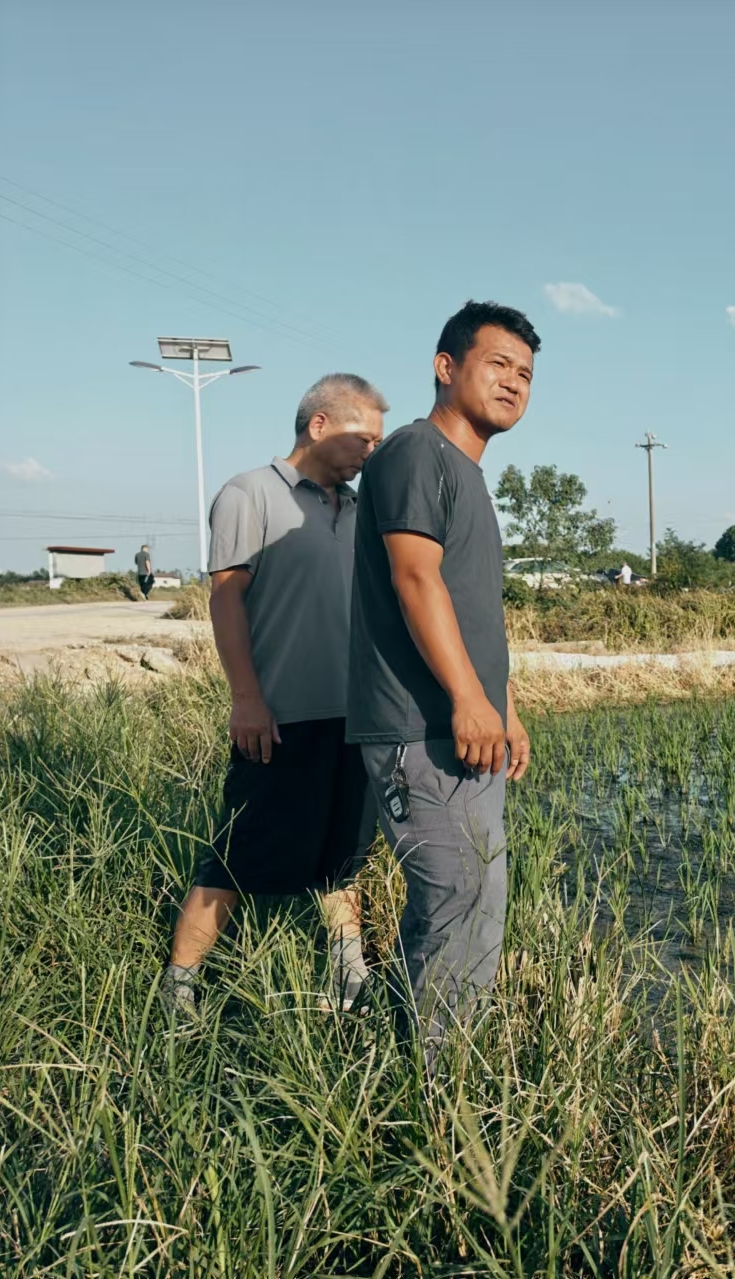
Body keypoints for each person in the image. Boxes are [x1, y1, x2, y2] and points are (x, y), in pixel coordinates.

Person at [161, 374, 389, 1015]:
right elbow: (226, 596)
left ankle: (350, 978)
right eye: (361, 438)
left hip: (355, 715)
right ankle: (179, 986)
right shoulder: (249, 493)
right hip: (281, 714)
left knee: (344, 856)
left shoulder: (358, 506)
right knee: (238, 853)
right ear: (319, 425)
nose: (370, 452)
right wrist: (246, 698)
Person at [347, 301, 537, 1056]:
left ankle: (403, 1058)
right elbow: (415, 579)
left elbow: (471, 608)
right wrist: (465, 697)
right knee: (457, 896)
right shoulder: (416, 454)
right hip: (418, 727)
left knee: (475, 898)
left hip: (464, 726)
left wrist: (505, 708)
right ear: (446, 366)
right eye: (498, 364)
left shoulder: (466, 473)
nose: (514, 382)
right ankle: (438, 1091)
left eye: (525, 373)